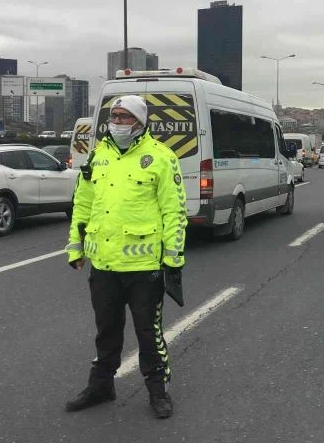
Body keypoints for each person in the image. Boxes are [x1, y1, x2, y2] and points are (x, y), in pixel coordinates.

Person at [64, 95, 187, 419]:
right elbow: (83, 205)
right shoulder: (98, 156)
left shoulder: (161, 157)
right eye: (113, 116)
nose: (117, 122)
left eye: (124, 116)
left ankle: (158, 390)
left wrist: (173, 260)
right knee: (106, 330)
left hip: (144, 266)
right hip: (104, 264)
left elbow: (174, 212)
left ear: (140, 121)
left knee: (148, 332)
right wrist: (75, 247)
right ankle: (101, 386)